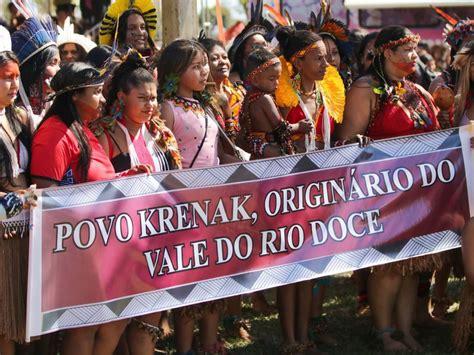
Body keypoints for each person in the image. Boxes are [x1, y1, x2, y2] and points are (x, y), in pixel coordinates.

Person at [30, 62, 150, 355]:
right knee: (86, 324)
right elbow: (48, 196)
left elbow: (97, 180)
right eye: (96, 93)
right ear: (74, 96)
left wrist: (126, 177)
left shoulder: (82, 129)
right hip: (79, 242)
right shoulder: (54, 135)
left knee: (115, 317)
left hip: (104, 236)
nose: (103, 99)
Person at [337, 25, 440, 352]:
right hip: (382, 191)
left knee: (412, 265)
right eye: (406, 50)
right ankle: (384, 332)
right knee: (388, 265)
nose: (413, 56)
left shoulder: (418, 92)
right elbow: (345, 143)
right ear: (386, 52)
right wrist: (358, 144)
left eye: (414, 49)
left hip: (419, 190)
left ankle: (406, 330)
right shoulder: (365, 89)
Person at [91, 50, 181, 355]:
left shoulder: (161, 134)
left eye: (153, 98)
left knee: (149, 318)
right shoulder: (105, 133)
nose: (150, 105)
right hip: (119, 238)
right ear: (122, 97)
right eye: (142, 98)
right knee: (114, 322)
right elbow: (94, 185)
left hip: (158, 235)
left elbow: (177, 179)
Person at [158, 39, 239, 354]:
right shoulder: (167, 107)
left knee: (213, 276)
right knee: (188, 279)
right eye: (196, 65)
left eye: (205, 63)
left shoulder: (208, 105)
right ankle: (184, 347)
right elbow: (163, 161)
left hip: (214, 203)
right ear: (176, 71)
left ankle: (210, 343)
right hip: (182, 205)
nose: (205, 70)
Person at [0, 40, 34, 355]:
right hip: (3, 233)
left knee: (21, 317)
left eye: (17, 76)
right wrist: (21, 200)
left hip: (23, 230)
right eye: (7, 77)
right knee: (3, 321)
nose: (15, 84)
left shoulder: (20, 118)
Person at [11, 16, 60, 125]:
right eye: (53, 63)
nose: (58, 69)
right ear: (36, 69)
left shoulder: (53, 104)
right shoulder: (20, 114)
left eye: (59, 64)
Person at [228, 0, 271, 84]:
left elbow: (295, 83)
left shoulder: (275, 72)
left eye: (265, 45)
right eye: (256, 46)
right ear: (243, 50)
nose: (262, 49)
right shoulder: (235, 79)